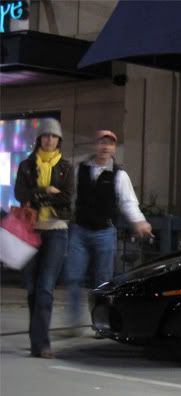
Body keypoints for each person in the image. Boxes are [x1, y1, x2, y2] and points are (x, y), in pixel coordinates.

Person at [65, 130, 152, 335]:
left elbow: (128, 202)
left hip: (104, 231)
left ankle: (100, 325)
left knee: (102, 281)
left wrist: (139, 221)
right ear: (96, 145)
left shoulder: (119, 175)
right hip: (79, 229)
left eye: (110, 144)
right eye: (102, 143)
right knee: (73, 276)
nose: (105, 147)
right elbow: (70, 196)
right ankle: (73, 321)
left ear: (114, 148)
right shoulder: (81, 170)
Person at [14, 118, 74, 358]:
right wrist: (46, 191)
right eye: (46, 136)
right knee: (32, 288)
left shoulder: (66, 167)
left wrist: (37, 197)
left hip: (57, 231)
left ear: (59, 140)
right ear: (39, 139)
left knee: (45, 287)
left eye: (54, 136)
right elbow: (20, 194)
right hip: (29, 230)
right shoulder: (26, 166)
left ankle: (42, 344)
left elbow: (67, 198)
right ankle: (36, 338)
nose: (49, 140)